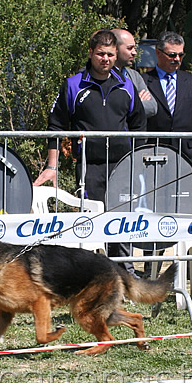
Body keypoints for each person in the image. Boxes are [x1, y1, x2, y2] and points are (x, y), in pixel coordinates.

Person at [33, 29, 146, 274]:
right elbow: (55, 126)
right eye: (100, 54)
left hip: (122, 165)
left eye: (110, 55)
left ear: (116, 56)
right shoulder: (73, 84)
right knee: (91, 222)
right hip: (89, 166)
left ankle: (125, 276)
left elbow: (139, 126)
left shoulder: (127, 85)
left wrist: (137, 162)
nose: (105, 59)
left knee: (123, 223)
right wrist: (51, 166)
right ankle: (92, 279)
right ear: (91, 53)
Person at [142, 31, 192, 172]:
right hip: (153, 155)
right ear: (159, 53)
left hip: (188, 156)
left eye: (181, 55)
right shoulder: (144, 81)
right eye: (172, 55)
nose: (177, 59)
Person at [111, 28, 158, 119]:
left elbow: (152, 107)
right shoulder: (99, 75)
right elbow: (105, 109)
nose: (134, 52)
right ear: (115, 48)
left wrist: (122, 107)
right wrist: (136, 102)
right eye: (129, 48)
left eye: (134, 48)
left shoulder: (134, 76)